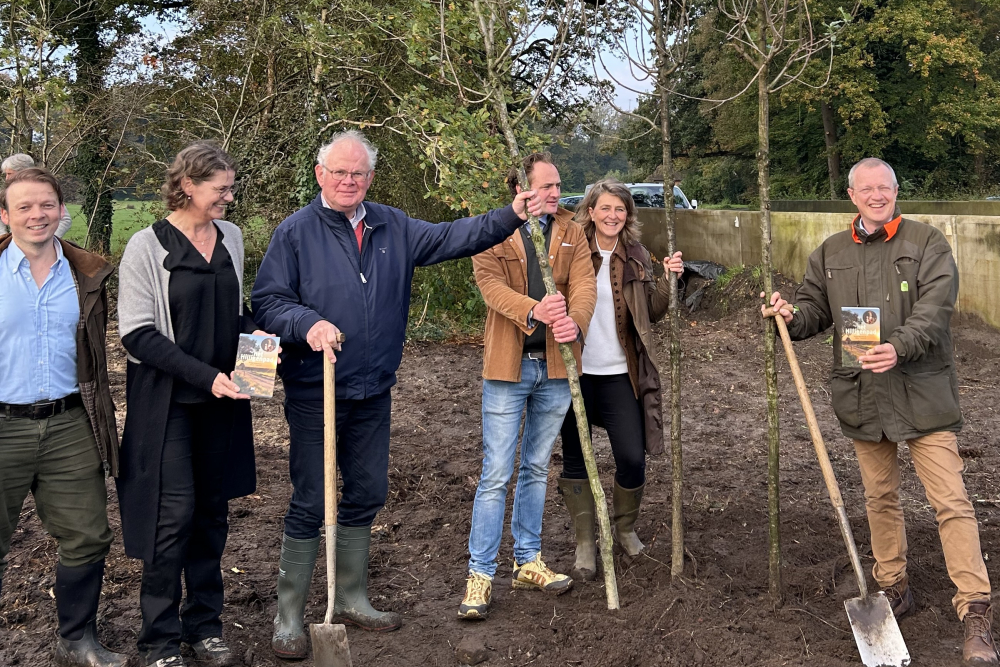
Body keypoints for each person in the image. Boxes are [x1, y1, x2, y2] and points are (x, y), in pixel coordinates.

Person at [251, 130, 543, 659]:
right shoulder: (294, 233)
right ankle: (288, 615)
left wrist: (510, 215)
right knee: (312, 498)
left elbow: (457, 236)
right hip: (316, 389)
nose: (348, 181)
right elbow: (268, 301)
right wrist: (307, 322)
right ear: (320, 175)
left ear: (370, 178)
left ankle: (353, 598)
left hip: (372, 387)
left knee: (367, 492)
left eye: (358, 173)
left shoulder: (394, 226)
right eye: (339, 172)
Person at [764, 157, 996, 666]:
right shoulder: (830, 251)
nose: (876, 195)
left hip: (921, 392)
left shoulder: (926, 242)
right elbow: (813, 312)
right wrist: (789, 315)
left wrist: (899, 345)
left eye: (884, 187)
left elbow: (936, 309)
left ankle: (975, 610)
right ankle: (893, 586)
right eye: (866, 188)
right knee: (879, 497)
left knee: (951, 501)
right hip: (864, 396)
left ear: (896, 190)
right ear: (851, 194)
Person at [117, 143, 265, 667]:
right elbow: (138, 336)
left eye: (230, 187)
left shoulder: (231, 237)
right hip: (170, 404)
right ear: (186, 186)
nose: (229, 197)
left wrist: (261, 352)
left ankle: (205, 626)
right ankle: (158, 640)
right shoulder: (146, 247)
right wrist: (208, 378)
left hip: (223, 402)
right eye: (220, 189)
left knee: (211, 513)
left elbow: (235, 314)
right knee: (171, 516)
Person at [457, 152, 597, 621]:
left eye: (559, 185)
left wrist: (574, 324)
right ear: (523, 188)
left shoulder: (572, 230)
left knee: (536, 466)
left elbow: (584, 285)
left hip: (556, 369)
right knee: (497, 471)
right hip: (508, 369)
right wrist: (534, 309)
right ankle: (479, 574)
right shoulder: (494, 229)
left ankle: (527, 561)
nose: (557, 192)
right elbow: (489, 284)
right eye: (548, 186)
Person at [0, 168, 124, 666]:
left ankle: (77, 639)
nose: (37, 215)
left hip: (71, 422)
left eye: (46, 204)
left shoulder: (86, 275)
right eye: (25, 207)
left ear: (60, 210)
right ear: (5, 216)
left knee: (88, 534)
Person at [557, 179, 684, 581]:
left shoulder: (636, 254)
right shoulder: (570, 250)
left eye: (621, 209)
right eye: (606, 208)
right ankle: (584, 544)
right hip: (574, 373)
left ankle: (624, 530)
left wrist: (668, 280)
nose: (613, 215)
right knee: (577, 458)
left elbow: (651, 311)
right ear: (590, 211)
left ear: (628, 215)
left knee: (631, 456)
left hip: (618, 374)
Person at [2, 154, 73, 237]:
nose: (6, 178)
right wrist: (4, 237)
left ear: (23, 172)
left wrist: (49, 239)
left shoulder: (45, 190)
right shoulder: (7, 193)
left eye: (10, 173)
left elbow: (65, 219)